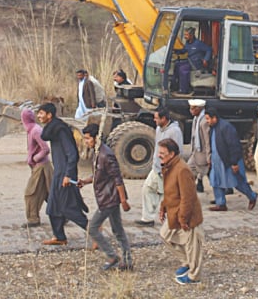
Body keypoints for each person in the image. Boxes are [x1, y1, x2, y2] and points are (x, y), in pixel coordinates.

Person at [78, 124, 132, 271]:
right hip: (108, 198)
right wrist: (84, 181)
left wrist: (123, 200)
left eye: (88, 138)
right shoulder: (97, 152)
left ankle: (111, 256)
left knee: (93, 227)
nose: (86, 141)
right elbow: (98, 175)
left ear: (96, 138)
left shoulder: (106, 154)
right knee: (118, 230)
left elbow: (117, 178)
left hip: (109, 199)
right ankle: (127, 261)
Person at [37, 103, 88, 246]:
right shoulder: (53, 129)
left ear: (49, 115)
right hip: (59, 173)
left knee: (67, 207)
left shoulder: (60, 130)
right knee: (53, 206)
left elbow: (72, 154)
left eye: (41, 113)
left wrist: (68, 175)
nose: (39, 116)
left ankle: (94, 231)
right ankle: (59, 237)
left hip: (65, 174)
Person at [157, 138, 204, 285]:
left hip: (187, 214)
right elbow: (170, 190)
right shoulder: (169, 166)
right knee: (165, 235)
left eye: (162, 153)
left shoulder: (182, 169)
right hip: (174, 211)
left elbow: (188, 197)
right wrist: (163, 206)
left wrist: (184, 219)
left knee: (192, 246)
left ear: (171, 154)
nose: (159, 155)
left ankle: (194, 276)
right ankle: (186, 262)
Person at [136, 107, 183, 226]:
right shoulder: (158, 129)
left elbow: (178, 152)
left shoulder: (175, 131)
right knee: (147, 188)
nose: (154, 120)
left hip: (167, 169)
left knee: (166, 195)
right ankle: (148, 218)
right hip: (156, 167)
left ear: (164, 118)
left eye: (156, 118)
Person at [206, 107, 258, 211]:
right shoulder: (213, 128)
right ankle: (221, 204)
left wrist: (234, 162)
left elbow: (234, 146)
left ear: (214, 118)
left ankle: (252, 196)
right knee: (216, 181)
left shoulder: (226, 127)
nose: (207, 121)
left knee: (237, 182)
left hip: (228, 161)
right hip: (217, 161)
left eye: (208, 119)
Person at [21, 108, 52, 227]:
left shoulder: (35, 131)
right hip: (39, 166)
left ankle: (33, 219)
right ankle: (62, 215)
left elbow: (45, 149)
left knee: (31, 193)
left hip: (41, 166)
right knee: (48, 193)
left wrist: (35, 158)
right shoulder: (31, 130)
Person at [173, 27, 212, 94]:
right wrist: (175, 50)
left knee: (183, 69)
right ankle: (175, 86)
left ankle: (184, 90)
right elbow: (184, 51)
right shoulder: (188, 43)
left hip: (196, 63)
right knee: (176, 64)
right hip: (190, 61)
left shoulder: (198, 43)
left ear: (191, 35)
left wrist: (206, 59)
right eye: (185, 35)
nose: (185, 36)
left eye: (186, 35)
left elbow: (209, 49)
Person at [187, 99, 211, 192]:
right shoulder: (196, 118)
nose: (190, 110)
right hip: (196, 152)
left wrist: (209, 156)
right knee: (189, 170)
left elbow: (207, 140)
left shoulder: (204, 121)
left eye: (192, 108)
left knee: (209, 174)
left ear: (199, 108)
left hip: (203, 153)